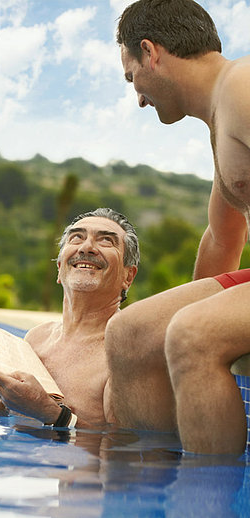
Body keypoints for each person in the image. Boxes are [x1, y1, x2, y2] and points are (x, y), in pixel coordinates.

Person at [105, 0, 250, 454]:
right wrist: (189, 307)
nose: (139, 97)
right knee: (129, 333)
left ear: (151, 53)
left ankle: (204, 517)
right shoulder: (220, 114)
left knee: (192, 336)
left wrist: (196, 322)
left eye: (133, 78)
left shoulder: (244, 87)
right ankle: (142, 499)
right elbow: (223, 237)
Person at [0, 207, 139, 429]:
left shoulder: (127, 353)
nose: (87, 247)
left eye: (106, 241)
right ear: (60, 268)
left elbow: (126, 451)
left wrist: (51, 414)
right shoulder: (35, 339)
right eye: (76, 237)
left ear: (128, 276)